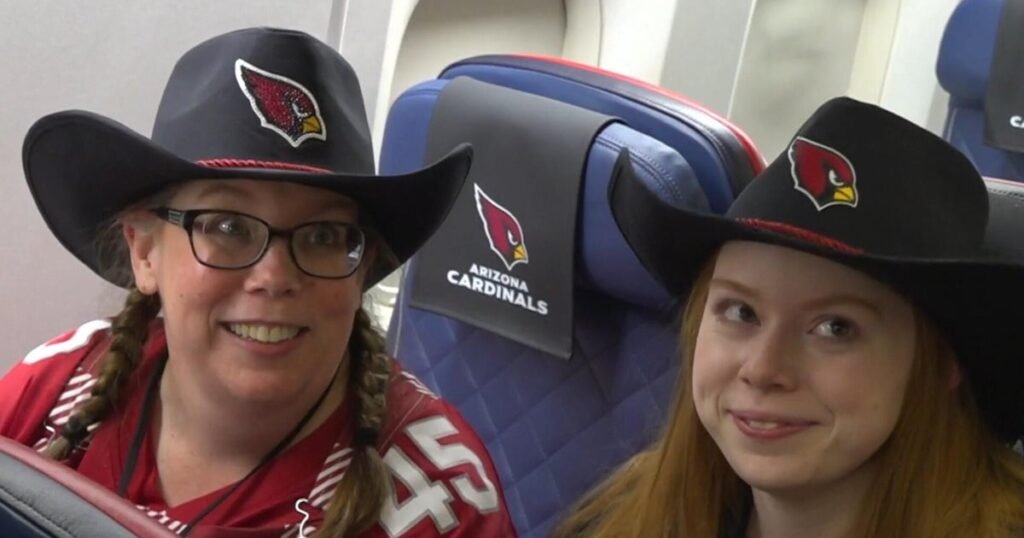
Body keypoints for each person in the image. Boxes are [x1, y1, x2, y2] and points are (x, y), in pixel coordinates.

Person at [0, 27, 516, 537]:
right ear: (144, 251)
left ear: (362, 267)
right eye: (228, 227)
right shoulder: (58, 387)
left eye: (322, 234)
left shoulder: (440, 509)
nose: (274, 277)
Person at [553, 98, 1024, 538]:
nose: (762, 369)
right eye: (741, 312)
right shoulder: (629, 519)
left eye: (834, 327)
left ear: (942, 364)